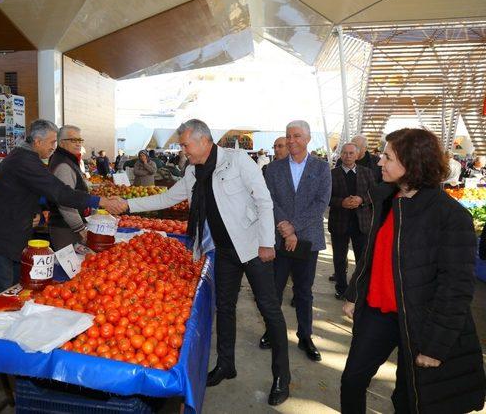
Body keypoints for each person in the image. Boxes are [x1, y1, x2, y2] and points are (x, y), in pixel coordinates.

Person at [120, 119, 291, 406]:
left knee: (269, 310)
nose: (183, 149)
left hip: (251, 248)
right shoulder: (192, 173)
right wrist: (127, 205)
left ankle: (281, 377)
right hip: (223, 250)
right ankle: (226, 363)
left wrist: (266, 243)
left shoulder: (237, 162)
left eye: (186, 144)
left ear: (204, 141)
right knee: (224, 307)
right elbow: (168, 197)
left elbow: (264, 200)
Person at [340, 128, 486, 413]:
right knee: (352, 380)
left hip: (421, 320)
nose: (380, 162)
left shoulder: (450, 216)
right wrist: (353, 293)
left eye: (388, 156)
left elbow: (456, 287)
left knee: (408, 398)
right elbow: (371, 257)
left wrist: (435, 346)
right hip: (377, 314)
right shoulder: (385, 200)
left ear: (413, 162)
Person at [0, 119, 126, 295]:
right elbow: (59, 192)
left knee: (13, 289)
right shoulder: (24, 160)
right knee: (2, 291)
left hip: (10, 235)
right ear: (37, 141)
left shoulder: (26, 157)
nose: (54, 147)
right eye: (52, 142)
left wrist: (36, 212)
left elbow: (30, 191)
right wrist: (101, 202)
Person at [262, 120, 331, 362]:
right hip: (280, 240)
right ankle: (272, 331)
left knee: (304, 291)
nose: (291, 140)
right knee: (274, 289)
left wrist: (294, 227)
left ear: (308, 139)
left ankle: (305, 336)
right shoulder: (273, 169)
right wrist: (286, 229)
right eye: (288, 136)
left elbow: (321, 203)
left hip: (307, 240)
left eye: (297, 136)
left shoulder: (322, 168)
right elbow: (269, 200)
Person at [328, 143, 375, 299]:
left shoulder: (367, 173)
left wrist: (361, 200)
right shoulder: (331, 174)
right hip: (339, 222)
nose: (347, 156)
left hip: (361, 223)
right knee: (339, 258)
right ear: (341, 155)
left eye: (351, 153)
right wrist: (341, 202)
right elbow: (326, 198)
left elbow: (374, 194)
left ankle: (358, 290)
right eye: (345, 153)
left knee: (362, 259)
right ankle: (341, 288)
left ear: (357, 155)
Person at [47, 125, 89, 250]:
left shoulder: (67, 159)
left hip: (67, 226)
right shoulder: (64, 165)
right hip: (65, 228)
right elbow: (65, 201)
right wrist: (80, 228)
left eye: (80, 140)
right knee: (70, 267)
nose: (78, 144)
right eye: (73, 140)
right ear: (61, 143)